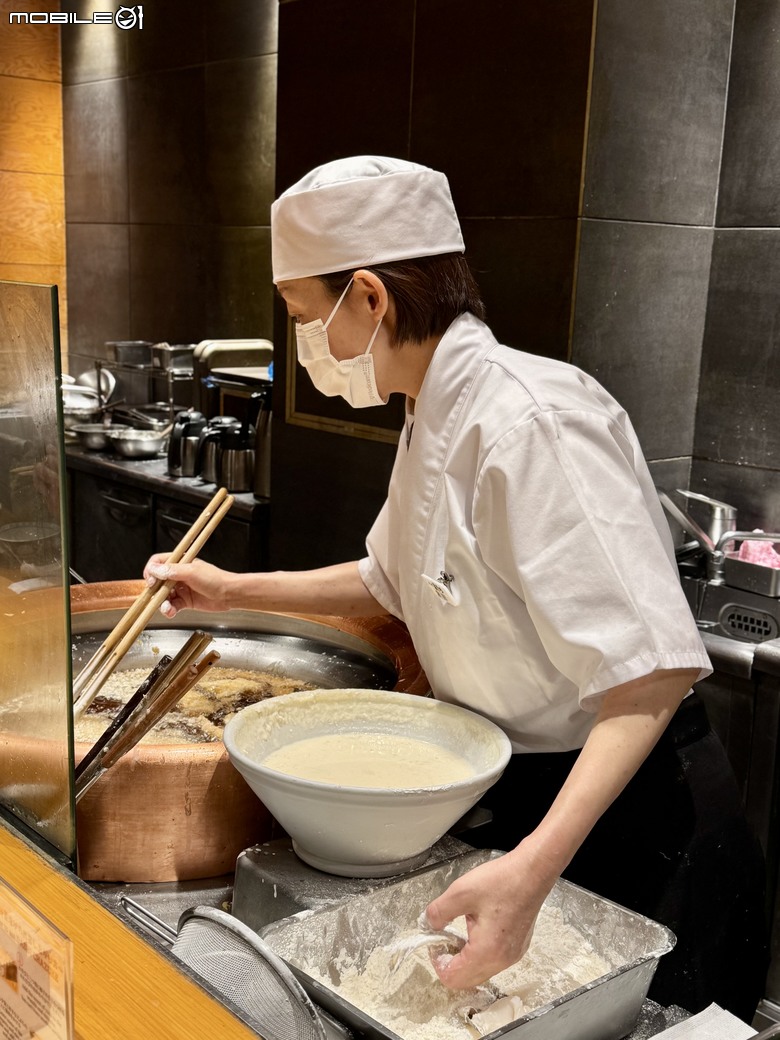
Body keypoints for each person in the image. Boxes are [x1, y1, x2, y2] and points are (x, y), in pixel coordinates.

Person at [145, 156, 768, 1020]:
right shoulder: (430, 409)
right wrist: (233, 590)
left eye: (301, 315)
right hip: (534, 799)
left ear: (370, 298)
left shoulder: (532, 421)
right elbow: (388, 579)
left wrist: (534, 866)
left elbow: (649, 675)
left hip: (638, 823)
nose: (303, 344)